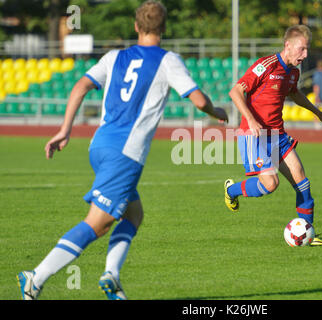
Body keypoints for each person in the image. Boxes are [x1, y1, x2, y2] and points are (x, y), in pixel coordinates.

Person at [16, 0, 228, 300]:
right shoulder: (168, 61)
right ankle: (36, 277)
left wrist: (65, 130)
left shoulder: (114, 56)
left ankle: (112, 276)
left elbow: (79, 87)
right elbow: (198, 100)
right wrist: (216, 111)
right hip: (125, 154)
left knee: (134, 213)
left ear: (136, 27)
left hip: (99, 146)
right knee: (98, 224)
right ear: (164, 29)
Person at [224, 25, 322, 246]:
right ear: (288, 45)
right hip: (253, 134)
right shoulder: (266, 65)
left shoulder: (293, 71)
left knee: (303, 183)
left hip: (277, 136)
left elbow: (295, 93)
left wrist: (317, 112)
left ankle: (307, 233)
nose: (305, 55)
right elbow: (235, 91)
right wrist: (251, 119)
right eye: (301, 49)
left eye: (307, 50)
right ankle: (231, 190)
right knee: (270, 184)